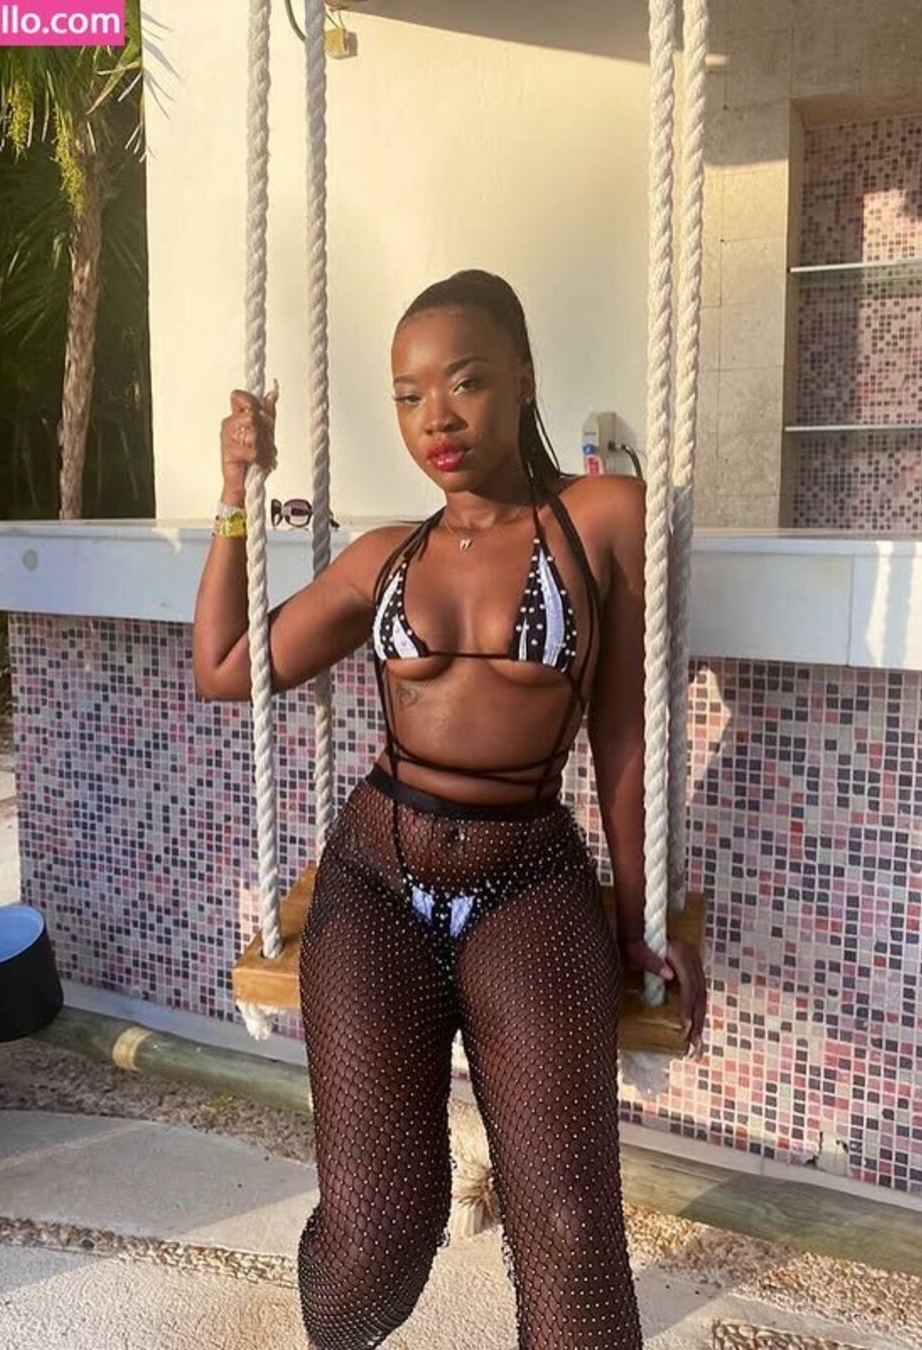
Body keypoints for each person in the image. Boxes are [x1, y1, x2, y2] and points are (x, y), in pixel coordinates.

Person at [192, 270, 706, 1349]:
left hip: (527, 876)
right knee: (375, 1237)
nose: (438, 417)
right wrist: (236, 488)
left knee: (568, 1229)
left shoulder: (606, 518)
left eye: (466, 381)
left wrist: (641, 913)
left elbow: (624, 727)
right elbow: (227, 666)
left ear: (523, 377)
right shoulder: (384, 557)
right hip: (375, 876)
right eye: (409, 394)